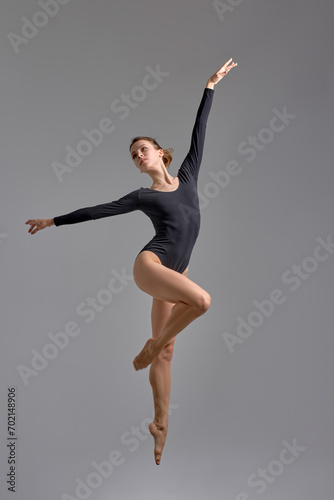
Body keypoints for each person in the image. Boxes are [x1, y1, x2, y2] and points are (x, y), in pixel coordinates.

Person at [25, 58, 237, 465]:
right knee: (202, 303)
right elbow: (99, 210)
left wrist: (210, 86)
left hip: (177, 271)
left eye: (143, 150)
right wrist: (53, 221)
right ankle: (150, 346)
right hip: (152, 267)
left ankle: (160, 425)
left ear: (161, 152)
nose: (139, 157)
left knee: (167, 353)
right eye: (134, 156)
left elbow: (200, 132)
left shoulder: (189, 176)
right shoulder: (144, 196)